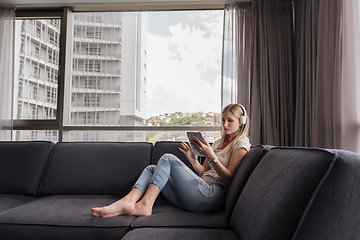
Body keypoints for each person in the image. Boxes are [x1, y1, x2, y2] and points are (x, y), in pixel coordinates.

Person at [91, 103, 251, 218]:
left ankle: (145, 204)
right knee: (151, 168)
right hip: (197, 192)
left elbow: (230, 180)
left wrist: (212, 157)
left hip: (210, 196)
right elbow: (203, 172)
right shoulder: (218, 143)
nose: (225, 124)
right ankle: (128, 200)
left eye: (230, 120)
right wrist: (193, 160)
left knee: (168, 158)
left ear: (241, 122)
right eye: (223, 120)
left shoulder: (241, 143)